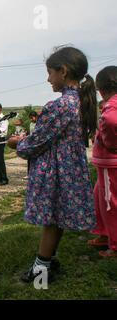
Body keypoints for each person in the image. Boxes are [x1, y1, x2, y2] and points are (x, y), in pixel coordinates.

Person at [11, 46, 97, 282]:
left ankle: (40, 272)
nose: (48, 78)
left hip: (57, 171)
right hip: (70, 167)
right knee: (57, 218)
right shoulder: (81, 101)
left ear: (63, 71)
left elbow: (36, 143)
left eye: (50, 73)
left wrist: (16, 144)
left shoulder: (59, 106)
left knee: (50, 221)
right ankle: (49, 259)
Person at [89, 66, 117, 258]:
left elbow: (111, 121)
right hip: (106, 165)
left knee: (110, 204)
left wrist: (111, 143)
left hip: (110, 163)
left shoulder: (111, 107)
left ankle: (115, 245)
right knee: (99, 197)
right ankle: (104, 233)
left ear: (102, 90)